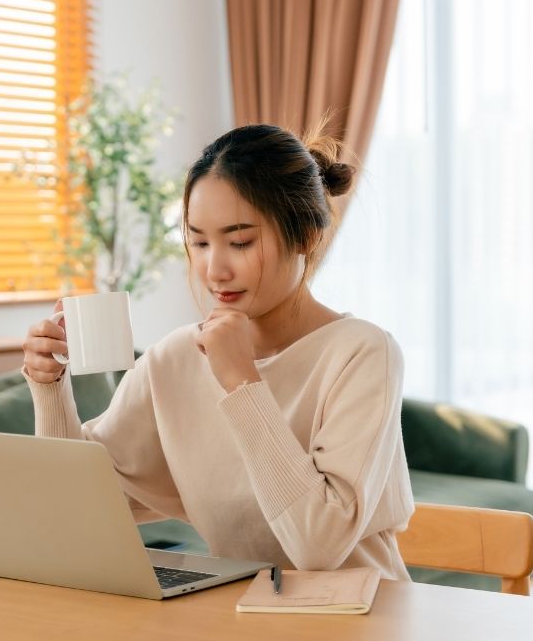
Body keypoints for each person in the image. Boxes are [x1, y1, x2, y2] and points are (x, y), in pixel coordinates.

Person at [21, 123, 414, 579]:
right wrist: (50, 387)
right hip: (235, 610)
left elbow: (317, 547)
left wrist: (241, 382)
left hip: (362, 611)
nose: (214, 270)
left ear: (306, 235)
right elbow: (74, 508)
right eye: (200, 242)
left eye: (240, 241)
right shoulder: (174, 359)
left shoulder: (363, 354)